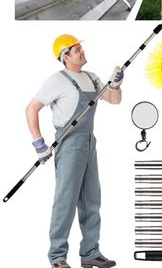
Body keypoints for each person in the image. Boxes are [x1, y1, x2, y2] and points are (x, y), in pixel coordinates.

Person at [26, 34, 123, 268]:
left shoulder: (92, 77)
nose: (82, 51)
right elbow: (31, 109)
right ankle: (58, 257)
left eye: (81, 48)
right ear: (65, 56)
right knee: (65, 201)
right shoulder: (56, 81)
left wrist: (117, 84)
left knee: (92, 199)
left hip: (89, 143)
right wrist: (39, 145)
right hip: (68, 145)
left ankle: (90, 253)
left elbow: (114, 99)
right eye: (76, 49)